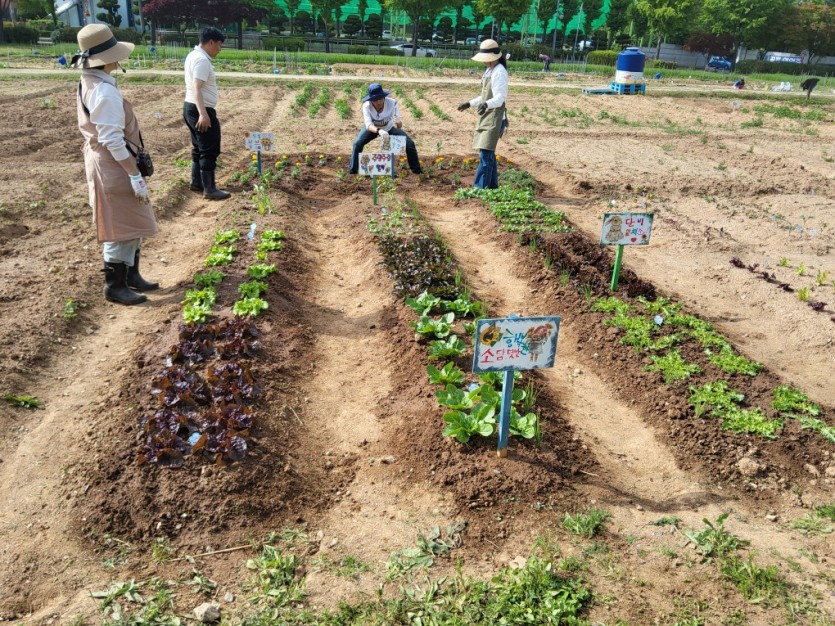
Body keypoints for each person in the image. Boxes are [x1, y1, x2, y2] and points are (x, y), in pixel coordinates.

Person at [73, 24, 159, 306]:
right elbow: (111, 138)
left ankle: (132, 275)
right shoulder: (104, 92)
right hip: (113, 165)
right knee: (118, 225)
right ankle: (115, 286)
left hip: (110, 162)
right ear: (108, 58)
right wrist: (133, 174)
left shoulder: (91, 81)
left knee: (130, 219)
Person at [184, 27, 230, 200]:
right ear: (211, 42)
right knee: (209, 148)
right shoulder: (202, 60)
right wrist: (203, 114)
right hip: (200, 109)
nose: (220, 49)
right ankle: (209, 189)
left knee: (199, 147)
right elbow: (196, 87)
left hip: (190, 107)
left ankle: (197, 182)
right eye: (219, 45)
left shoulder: (193, 55)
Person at [457, 39, 509, 190]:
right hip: (488, 117)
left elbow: (500, 98)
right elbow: (485, 95)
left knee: (485, 154)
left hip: (496, 119)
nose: (485, 62)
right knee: (488, 154)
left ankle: (480, 188)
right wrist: (469, 103)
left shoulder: (499, 72)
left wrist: (486, 105)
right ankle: (491, 188)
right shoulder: (490, 70)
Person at [348, 83, 422, 175]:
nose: (378, 102)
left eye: (380, 99)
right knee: (357, 143)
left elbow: (399, 126)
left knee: (409, 144)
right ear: (371, 100)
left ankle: (416, 170)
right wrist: (379, 131)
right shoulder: (366, 106)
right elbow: (368, 125)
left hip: (389, 128)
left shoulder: (392, 103)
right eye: (375, 100)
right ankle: (353, 170)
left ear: (384, 97)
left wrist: (398, 121)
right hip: (373, 129)